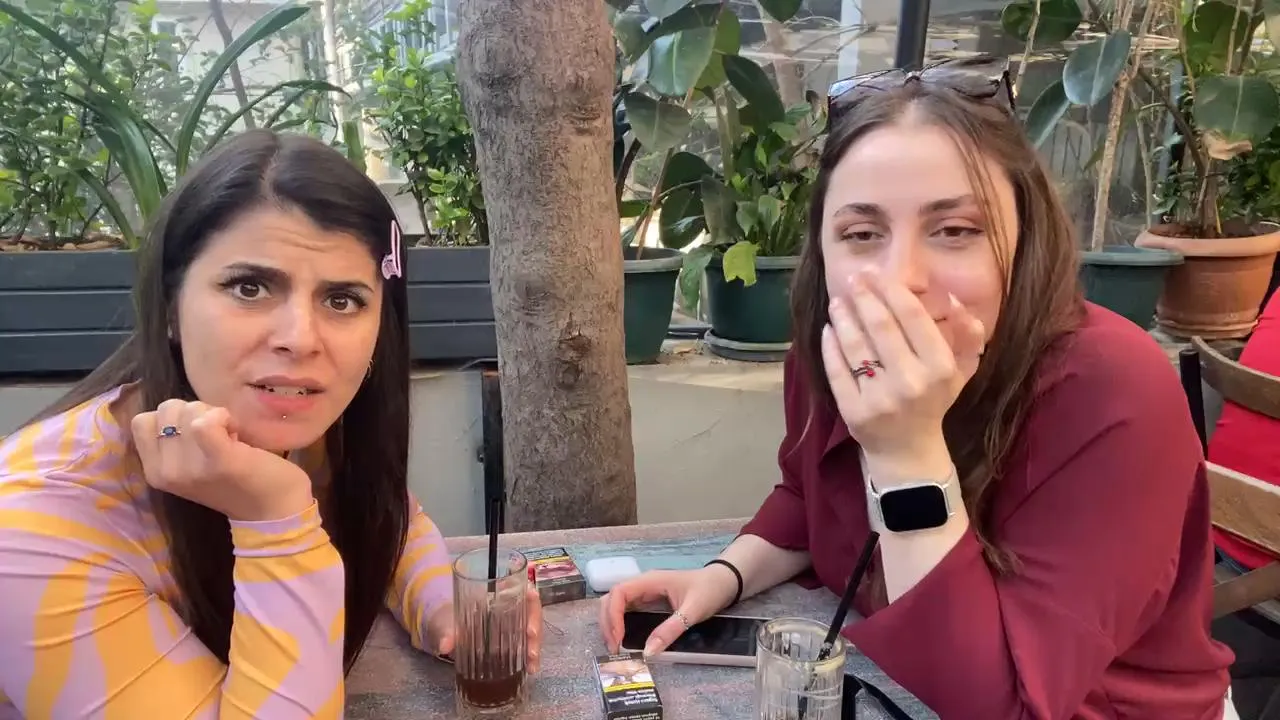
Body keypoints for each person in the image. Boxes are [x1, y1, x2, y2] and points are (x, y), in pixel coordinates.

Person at [600, 56, 1236, 718]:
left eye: (955, 230)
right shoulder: (835, 349)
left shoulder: (1113, 390)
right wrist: (721, 577)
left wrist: (906, 452)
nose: (899, 278)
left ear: (1025, 241)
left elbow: (1006, 704)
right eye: (861, 233)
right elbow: (809, 497)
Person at [0, 130, 541, 719]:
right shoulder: (29, 532)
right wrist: (275, 518)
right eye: (250, 287)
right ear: (170, 305)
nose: (300, 339)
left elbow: (385, 520)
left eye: (341, 300)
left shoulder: (279, 425)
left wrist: (441, 606)